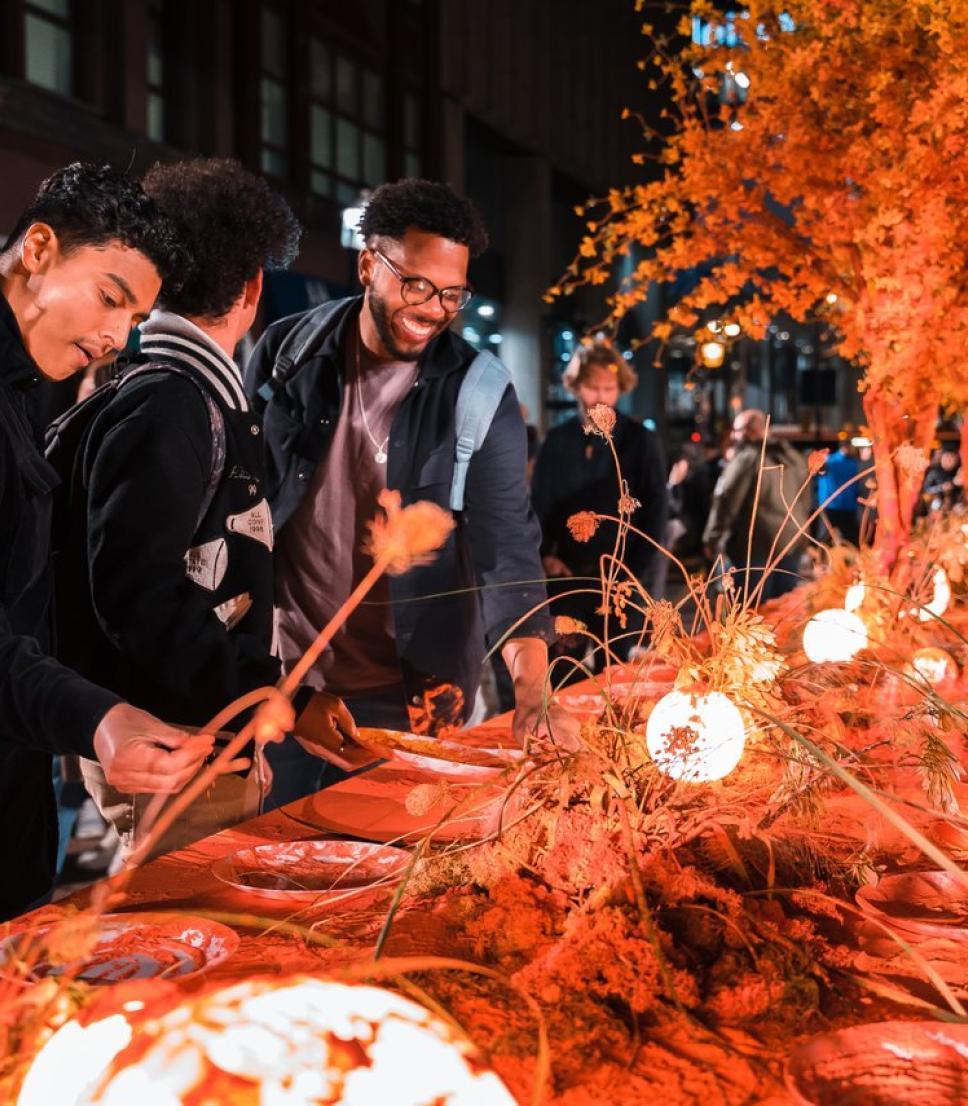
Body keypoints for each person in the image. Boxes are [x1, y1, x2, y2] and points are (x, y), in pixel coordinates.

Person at [50, 158, 353, 856]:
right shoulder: (174, 403)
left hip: (200, 736)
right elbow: (138, 596)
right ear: (252, 288)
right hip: (174, 748)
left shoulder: (180, 394)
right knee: (188, 944)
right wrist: (271, 695)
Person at [246, 178, 572, 808]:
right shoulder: (289, 352)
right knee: (280, 868)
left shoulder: (480, 393)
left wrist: (533, 693)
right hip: (290, 680)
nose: (433, 309)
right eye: (416, 284)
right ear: (369, 264)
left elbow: (507, 547)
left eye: (452, 294)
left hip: (414, 694)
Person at [0, 162, 218, 919]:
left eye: (132, 320)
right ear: (38, 249)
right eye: (109, 299)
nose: (112, 338)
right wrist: (97, 716)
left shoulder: (29, 383)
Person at [531, 337, 667, 672]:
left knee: (616, 670)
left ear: (620, 388)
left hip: (620, 579)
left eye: (609, 388)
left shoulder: (639, 440)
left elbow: (655, 511)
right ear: (576, 387)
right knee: (561, 668)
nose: (601, 396)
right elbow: (539, 503)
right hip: (565, 576)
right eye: (592, 387)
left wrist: (634, 571)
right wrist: (545, 553)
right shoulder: (559, 439)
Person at [703, 408, 809, 601]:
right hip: (790, 542)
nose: (734, 436)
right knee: (783, 610)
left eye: (737, 430)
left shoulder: (747, 459)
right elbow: (805, 499)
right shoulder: (793, 457)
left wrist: (713, 537)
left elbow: (726, 500)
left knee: (753, 609)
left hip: (754, 546)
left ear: (750, 431)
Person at [815, 440, 861, 545]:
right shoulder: (852, 463)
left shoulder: (829, 461)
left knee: (825, 539)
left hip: (831, 505)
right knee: (849, 540)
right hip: (846, 506)